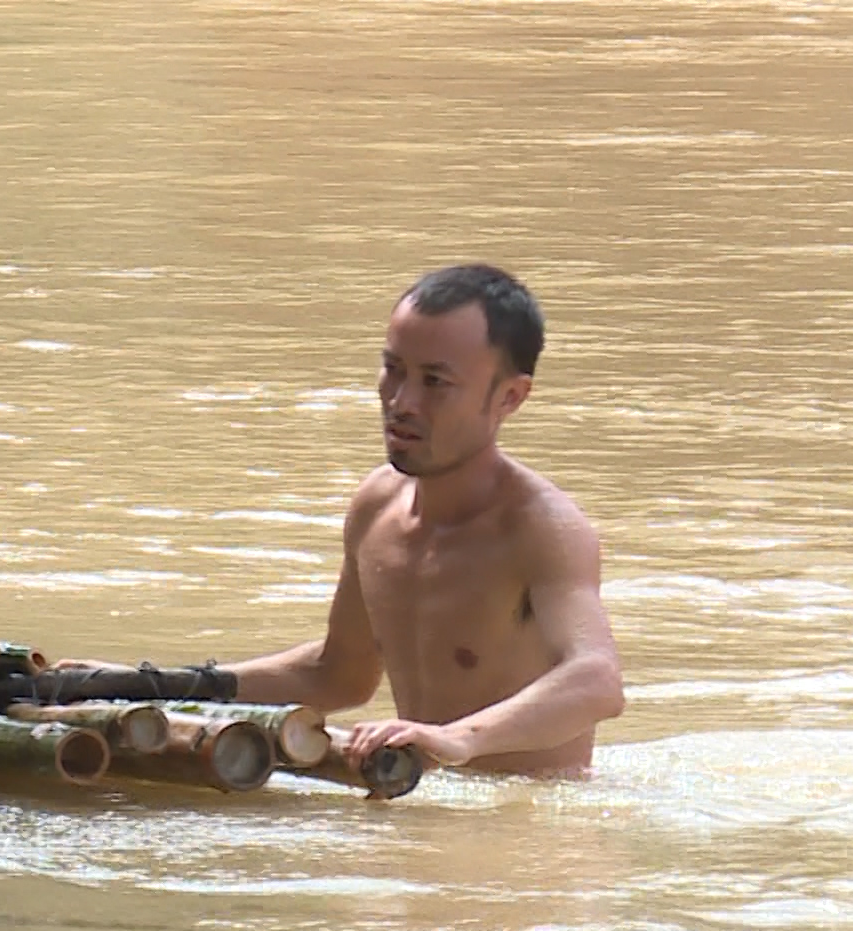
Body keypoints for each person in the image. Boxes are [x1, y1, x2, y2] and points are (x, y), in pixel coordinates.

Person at [60, 265, 624, 776]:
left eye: (435, 382)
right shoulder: (378, 504)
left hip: (529, 824)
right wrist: (145, 688)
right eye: (392, 370)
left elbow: (598, 681)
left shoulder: (541, 528)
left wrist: (456, 739)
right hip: (411, 797)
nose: (402, 402)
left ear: (510, 398)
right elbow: (338, 675)